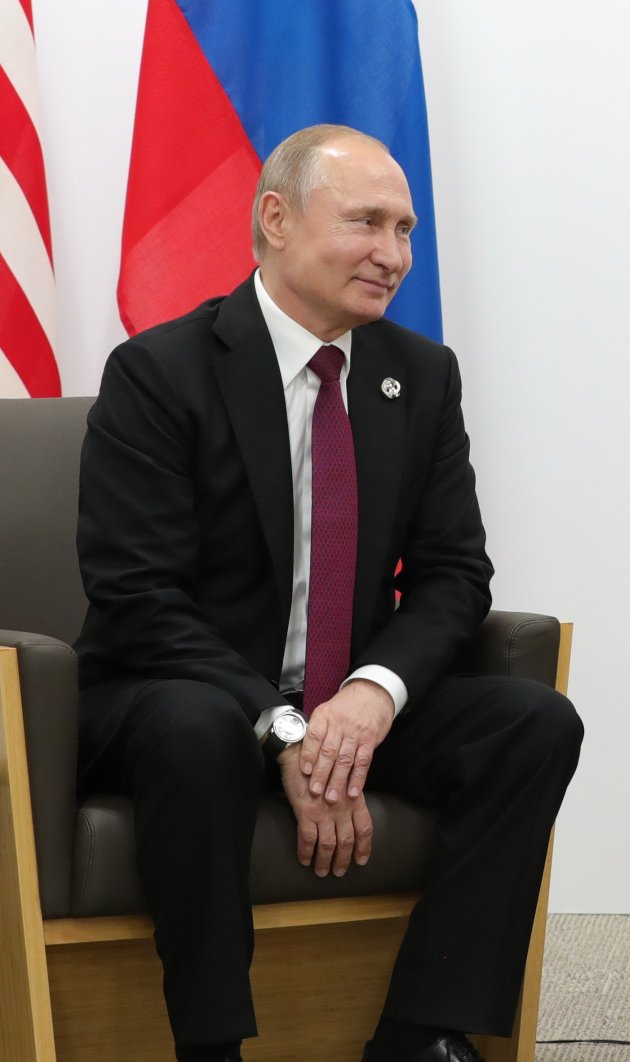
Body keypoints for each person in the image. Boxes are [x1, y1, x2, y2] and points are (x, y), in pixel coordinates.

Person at [74, 124, 582, 1062]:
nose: (392, 255)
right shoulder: (158, 374)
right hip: (176, 695)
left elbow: (452, 575)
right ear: (276, 219)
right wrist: (283, 730)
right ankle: (213, 1044)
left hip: (340, 696)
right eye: (366, 223)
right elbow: (138, 598)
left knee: (533, 722)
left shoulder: (419, 375)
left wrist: (370, 695)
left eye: (405, 229)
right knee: (195, 727)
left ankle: (421, 1034)